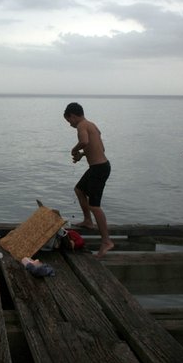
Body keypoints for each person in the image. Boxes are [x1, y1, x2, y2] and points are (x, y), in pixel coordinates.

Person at [63, 102, 114, 259]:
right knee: (79, 190)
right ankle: (87, 220)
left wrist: (75, 149)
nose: (70, 124)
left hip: (98, 169)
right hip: (100, 166)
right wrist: (83, 155)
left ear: (73, 115)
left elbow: (84, 141)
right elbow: (100, 148)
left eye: (69, 121)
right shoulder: (92, 125)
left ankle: (106, 241)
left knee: (95, 206)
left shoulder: (81, 126)